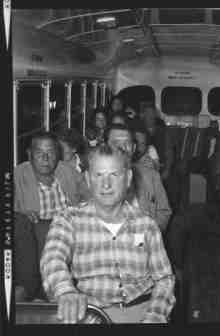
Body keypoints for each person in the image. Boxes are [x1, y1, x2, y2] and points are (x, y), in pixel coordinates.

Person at [40, 145, 175, 323]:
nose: (106, 184)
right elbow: (52, 258)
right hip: (92, 314)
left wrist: (156, 315)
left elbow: (164, 279)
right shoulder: (68, 220)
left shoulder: (147, 224)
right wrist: (65, 291)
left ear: (128, 179)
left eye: (114, 175)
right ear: (88, 180)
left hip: (143, 311)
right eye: (99, 175)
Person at [14, 132, 90, 300]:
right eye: (39, 152)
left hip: (69, 233)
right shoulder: (18, 175)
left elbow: (89, 198)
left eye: (51, 152)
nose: (45, 158)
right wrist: (20, 213)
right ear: (29, 154)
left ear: (58, 154)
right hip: (33, 237)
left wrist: (78, 212)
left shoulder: (68, 172)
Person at [105, 124, 172, 233]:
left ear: (133, 148)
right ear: (105, 147)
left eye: (127, 143)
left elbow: (164, 212)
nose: (122, 148)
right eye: (116, 143)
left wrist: (150, 234)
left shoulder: (151, 176)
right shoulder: (94, 179)